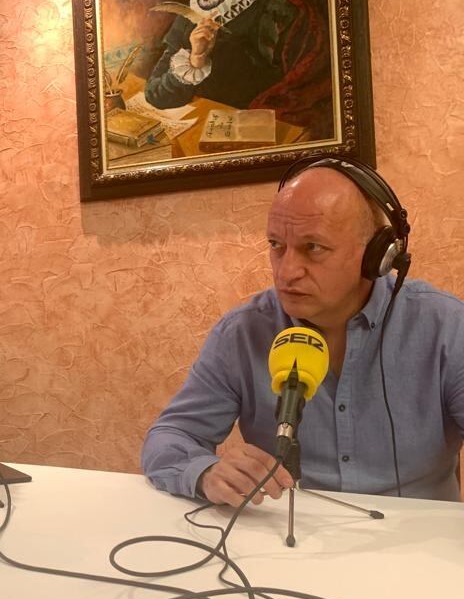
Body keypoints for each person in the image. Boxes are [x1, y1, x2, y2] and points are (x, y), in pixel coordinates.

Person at [142, 158, 464, 506]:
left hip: (414, 541)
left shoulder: (445, 326)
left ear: (377, 255)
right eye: (276, 245)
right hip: (289, 540)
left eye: (313, 248)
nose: (287, 272)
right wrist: (205, 472)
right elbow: (170, 436)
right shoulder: (243, 332)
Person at [144, 0, 333, 138]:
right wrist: (195, 60)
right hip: (201, 132)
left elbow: (297, 102)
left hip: (260, 137)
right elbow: (155, 94)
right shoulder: (188, 18)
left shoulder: (279, 11)